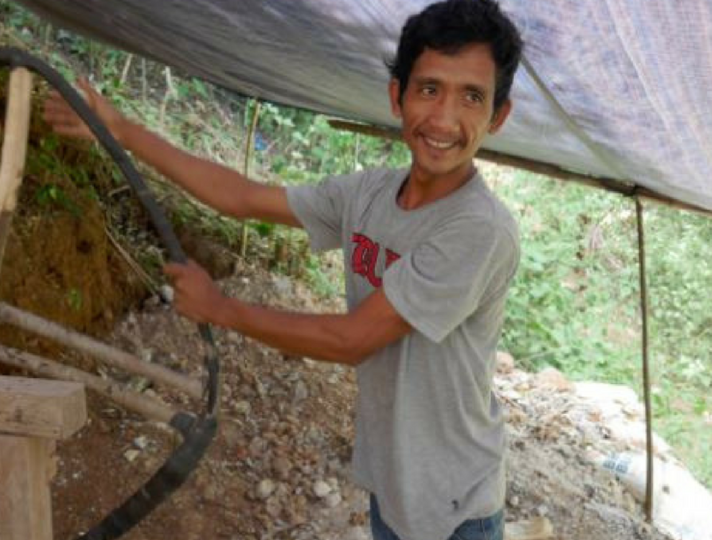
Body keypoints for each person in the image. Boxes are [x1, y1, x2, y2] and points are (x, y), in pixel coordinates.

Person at [44, 0, 522, 538]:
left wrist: (221, 309)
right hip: (394, 482)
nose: (443, 119)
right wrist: (123, 130)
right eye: (429, 89)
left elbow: (351, 340)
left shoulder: (478, 228)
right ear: (398, 97)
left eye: (471, 97)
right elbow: (243, 196)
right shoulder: (368, 194)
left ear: (497, 117)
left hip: (456, 502)